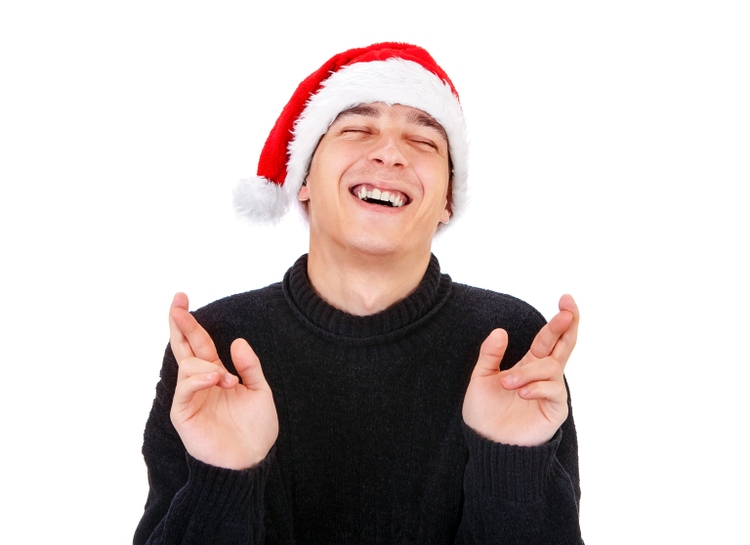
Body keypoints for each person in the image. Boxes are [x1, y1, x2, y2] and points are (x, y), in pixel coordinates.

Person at [134, 42, 583, 544]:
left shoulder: (509, 342)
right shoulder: (215, 350)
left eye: (424, 141)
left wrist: (511, 464)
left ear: (447, 203)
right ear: (302, 179)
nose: (390, 153)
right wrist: (223, 476)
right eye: (357, 129)